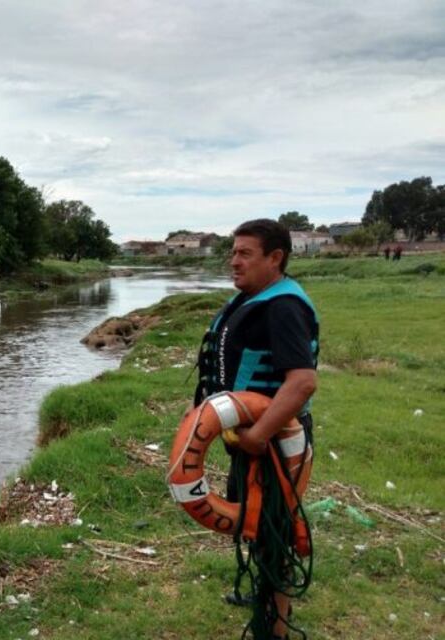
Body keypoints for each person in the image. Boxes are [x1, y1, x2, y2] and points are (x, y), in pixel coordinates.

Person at [194, 219, 318, 640]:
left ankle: (274, 631)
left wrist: (259, 434)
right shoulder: (254, 298)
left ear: (275, 258)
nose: (234, 260)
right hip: (250, 439)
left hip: (273, 443)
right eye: (233, 252)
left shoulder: (284, 307)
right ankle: (260, 593)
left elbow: (302, 381)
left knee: (274, 535)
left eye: (245, 253)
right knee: (255, 525)